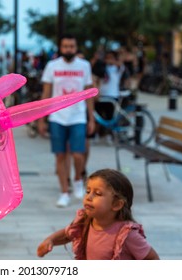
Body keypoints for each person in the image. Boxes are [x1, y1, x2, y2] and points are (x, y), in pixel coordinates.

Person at [37, 169, 160, 260]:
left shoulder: (126, 235)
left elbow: (153, 259)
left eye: (98, 193)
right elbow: (67, 234)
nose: (89, 197)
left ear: (117, 204)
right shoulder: (86, 221)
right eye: (88, 191)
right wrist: (50, 240)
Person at [38, 34, 95, 207]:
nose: (68, 49)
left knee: (78, 154)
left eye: (71, 46)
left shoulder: (84, 66)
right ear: (60, 48)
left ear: (76, 47)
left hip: (78, 116)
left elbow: (89, 93)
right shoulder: (52, 66)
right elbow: (46, 94)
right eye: (65, 46)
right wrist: (41, 119)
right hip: (57, 117)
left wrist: (91, 118)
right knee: (60, 156)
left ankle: (77, 179)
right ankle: (64, 192)